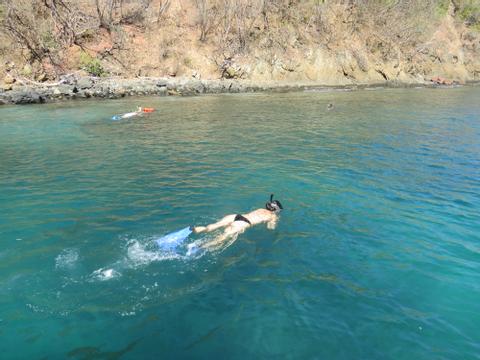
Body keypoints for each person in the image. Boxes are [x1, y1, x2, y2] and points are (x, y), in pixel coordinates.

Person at [192, 194, 283, 250]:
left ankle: (197, 229)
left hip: (236, 216)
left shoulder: (260, 209)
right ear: (275, 209)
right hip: (243, 223)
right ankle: (199, 247)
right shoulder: (272, 216)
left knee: (213, 226)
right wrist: (275, 221)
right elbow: (270, 228)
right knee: (222, 238)